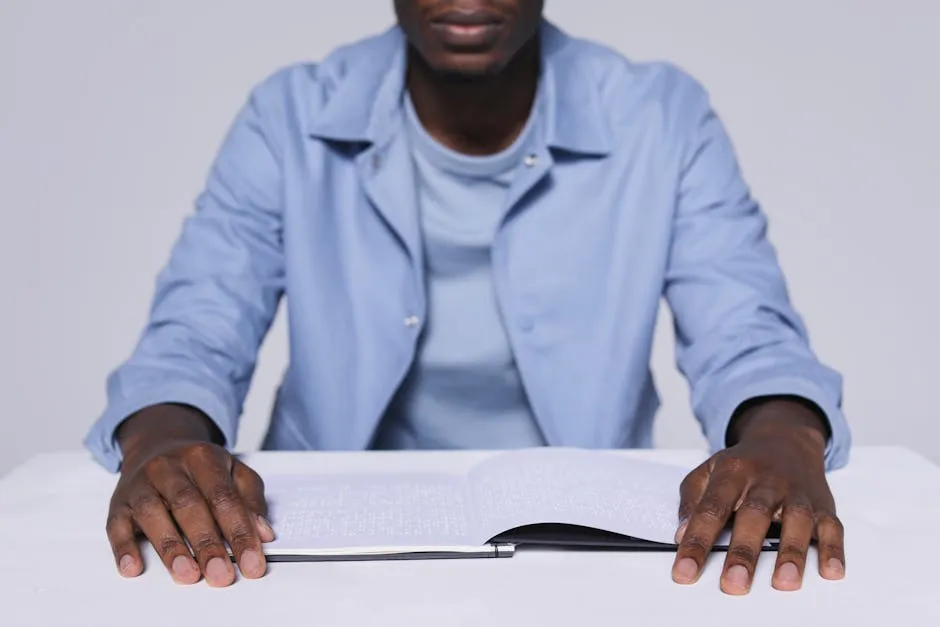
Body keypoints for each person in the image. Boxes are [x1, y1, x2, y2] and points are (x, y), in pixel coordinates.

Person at [86, 0, 850, 595]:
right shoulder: (288, 115)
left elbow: (744, 325)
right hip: (314, 549)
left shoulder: (661, 115)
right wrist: (160, 442)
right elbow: (196, 327)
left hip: (586, 547)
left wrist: (784, 438)